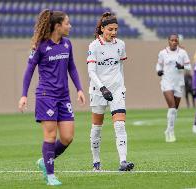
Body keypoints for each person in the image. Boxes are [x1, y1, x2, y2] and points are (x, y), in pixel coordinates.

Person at [18, 9, 85, 186]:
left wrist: (79, 89)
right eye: (67, 23)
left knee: (67, 137)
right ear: (57, 26)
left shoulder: (67, 44)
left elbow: (72, 67)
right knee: (50, 135)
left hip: (64, 97)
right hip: (46, 96)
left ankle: (44, 161)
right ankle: (50, 175)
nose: (70, 26)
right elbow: (29, 71)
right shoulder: (40, 46)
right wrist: (23, 95)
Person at [87, 12, 134, 171]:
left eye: (116, 29)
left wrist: (120, 85)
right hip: (98, 91)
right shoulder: (94, 46)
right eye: (110, 29)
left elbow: (120, 66)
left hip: (117, 89)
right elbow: (91, 71)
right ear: (102, 29)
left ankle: (123, 162)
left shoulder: (120, 45)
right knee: (97, 128)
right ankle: (96, 163)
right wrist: (102, 87)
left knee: (120, 125)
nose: (113, 32)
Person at [156, 34, 191, 142]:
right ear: (168, 41)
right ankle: (170, 132)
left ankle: (168, 129)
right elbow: (158, 65)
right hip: (167, 82)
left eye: (176, 40)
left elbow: (189, 67)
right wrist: (158, 71)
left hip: (178, 83)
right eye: (172, 40)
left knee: (175, 109)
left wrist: (182, 67)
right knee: (171, 106)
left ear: (178, 41)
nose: (174, 42)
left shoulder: (182, 53)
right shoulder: (163, 53)